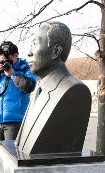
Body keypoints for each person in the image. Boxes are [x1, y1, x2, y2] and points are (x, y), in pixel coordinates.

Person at [16, 22, 92, 154]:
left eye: (35, 44)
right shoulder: (39, 89)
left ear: (56, 51)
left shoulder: (74, 91)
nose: (29, 53)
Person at [0, 41, 36, 145]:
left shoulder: (25, 69)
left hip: (15, 120)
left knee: (11, 154)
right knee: (1, 155)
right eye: (2, 59)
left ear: (16, 55)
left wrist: (13, 74)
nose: (5, 62)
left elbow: (30, 86)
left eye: (7, 59)